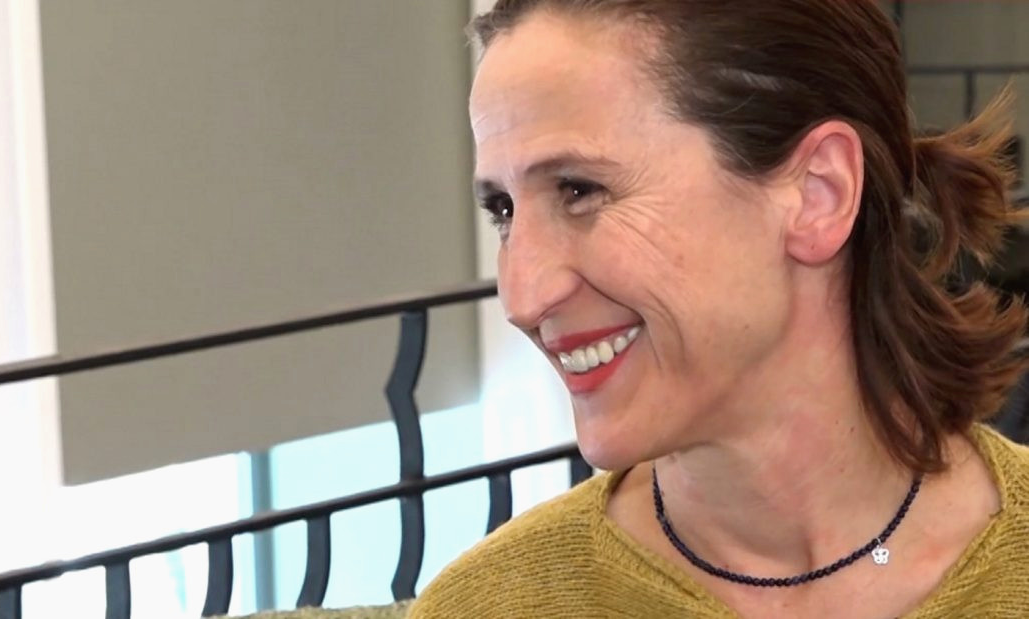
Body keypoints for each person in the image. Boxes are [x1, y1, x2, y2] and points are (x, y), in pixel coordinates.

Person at [408, 1, 1029, 617]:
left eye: (580, 190)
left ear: (818, 194)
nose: (522, 297)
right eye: (503, 210)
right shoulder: (487, 607)